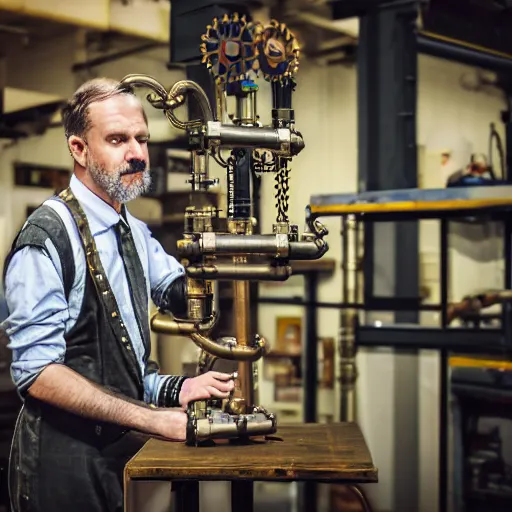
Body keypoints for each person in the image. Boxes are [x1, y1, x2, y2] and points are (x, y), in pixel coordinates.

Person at [1, 78, 234, 512]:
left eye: (142, 139)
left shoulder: (134, 232)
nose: (137, 153)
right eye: (117, 139)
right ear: (78, 149)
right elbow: (38, 375)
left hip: (116, 460)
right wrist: (153, 419)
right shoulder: (46, 240)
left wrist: (178, 389)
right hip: (62, 469)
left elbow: (129, 370)